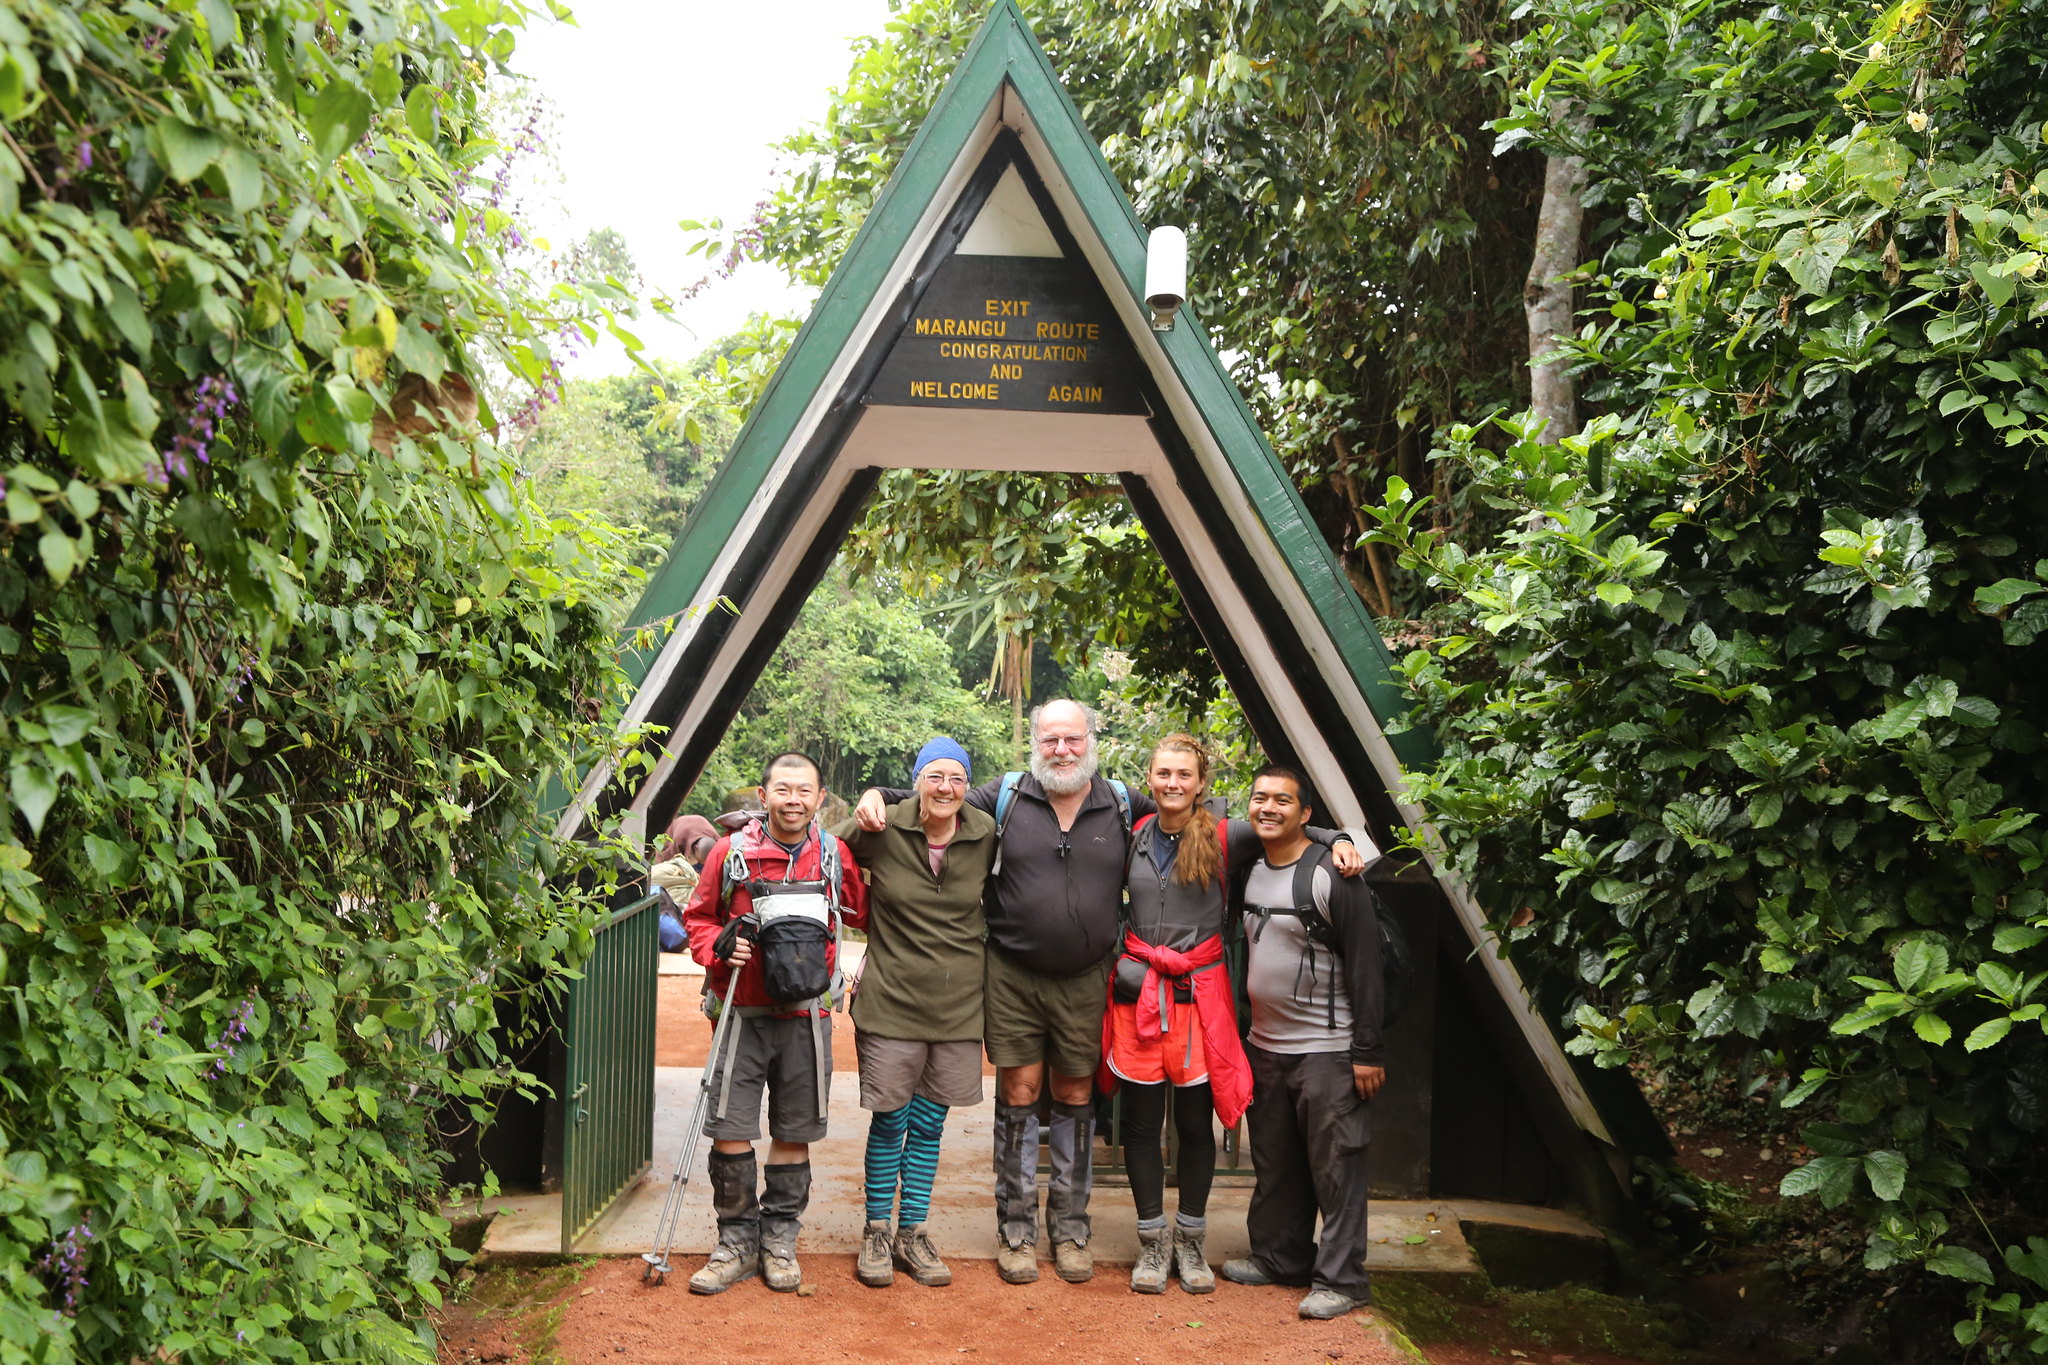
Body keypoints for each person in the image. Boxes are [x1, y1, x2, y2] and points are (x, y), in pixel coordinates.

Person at [857, 701, 1360, 1285]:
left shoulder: (1123, 803)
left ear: (1090, 741)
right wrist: (878, 794)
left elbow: (1250, 822)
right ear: (1036, 743)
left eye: (1072, 739)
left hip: (1089, 977)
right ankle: (1016, 1231)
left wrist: (1335, 837)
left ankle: (1071, 1229)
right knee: (1019, 1093)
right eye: (1051, 739)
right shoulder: (1007, 795)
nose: (1062, 750)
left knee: (1075, 1093)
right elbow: (939, 793)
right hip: (1013, 974)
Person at [1107, 734, 1361, 1296]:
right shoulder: (1133, 833)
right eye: (1163, 773)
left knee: (1196, 1126)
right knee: (1142, 1126)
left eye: (1184, 775)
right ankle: (1152, 1241)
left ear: (1201, 783)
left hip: (1200, 996)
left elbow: (1290, 828)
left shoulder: (1226, 835)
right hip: (1142, 993)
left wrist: (1339, 839)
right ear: (1149, 779)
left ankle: (1190, 1239)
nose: (1173, 783)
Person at [680, 752, 867, 1295]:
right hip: (740, 1012)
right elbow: (699, 917)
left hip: (807, 1016)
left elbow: (862, 912)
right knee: (730, 1128)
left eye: (804, 791)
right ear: (764, 797)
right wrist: (717, 948)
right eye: (783, 790)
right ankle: (737, 1243)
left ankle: (779, 1241)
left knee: (794, 1130)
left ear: (820, 798)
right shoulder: (729, 852)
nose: (793, 800)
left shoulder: (833, 855)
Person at [1218, 764, 1387, 1320]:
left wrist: (1367, 1052)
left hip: (1329, 1049)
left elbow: (1366, 965)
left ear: (1305, 812)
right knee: (1276, 1161)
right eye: (1260, 798)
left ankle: (1342, 1280)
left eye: (1282, 800)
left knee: (1337, 1167)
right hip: (1266, 1045)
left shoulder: (1333, 874)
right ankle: (1279, 1257)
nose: (1268, 808)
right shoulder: (1247, 867)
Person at [831, 737, 997, 1289]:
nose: (946, 788)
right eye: (935, 776)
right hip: (891, 999)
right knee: (890, 1119)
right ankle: (877, 1229)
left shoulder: (985, 832)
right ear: (917, 780)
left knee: (929, 1123)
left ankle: (913, 1231)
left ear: (967, 784)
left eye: (957, 778)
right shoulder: (881, 826)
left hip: (958, 1003)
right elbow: (826, 852)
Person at [651, 814, 718, 952]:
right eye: (700, 861)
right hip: (677, 855)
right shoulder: (678, 839)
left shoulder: (716, 841)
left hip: (701, 853)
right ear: (695, 848)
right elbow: (664, 862)